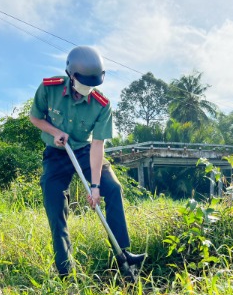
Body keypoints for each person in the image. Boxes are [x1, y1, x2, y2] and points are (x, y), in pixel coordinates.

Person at [29, 45, 146, 278]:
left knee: (112, 188)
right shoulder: (49, 88)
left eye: (93, 84)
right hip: (56, 153)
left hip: (84, 151)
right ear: (71, 75)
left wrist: (95, 187)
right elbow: (35, 117)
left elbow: (98, 145)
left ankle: (123, 254)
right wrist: (54, 131)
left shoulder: (102, 104)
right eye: (84, 83)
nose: (87, 89)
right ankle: (65, 269)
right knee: (55, 204)